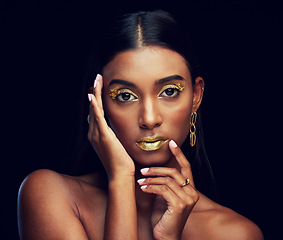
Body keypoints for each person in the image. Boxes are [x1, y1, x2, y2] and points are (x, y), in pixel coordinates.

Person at [17, 10, 263, 240]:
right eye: (125, 95)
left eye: (169, 91)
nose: (149, 118)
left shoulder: (234, 233)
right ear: (98, 102)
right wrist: (121, 179)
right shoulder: (50, 195)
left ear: (196, 96)